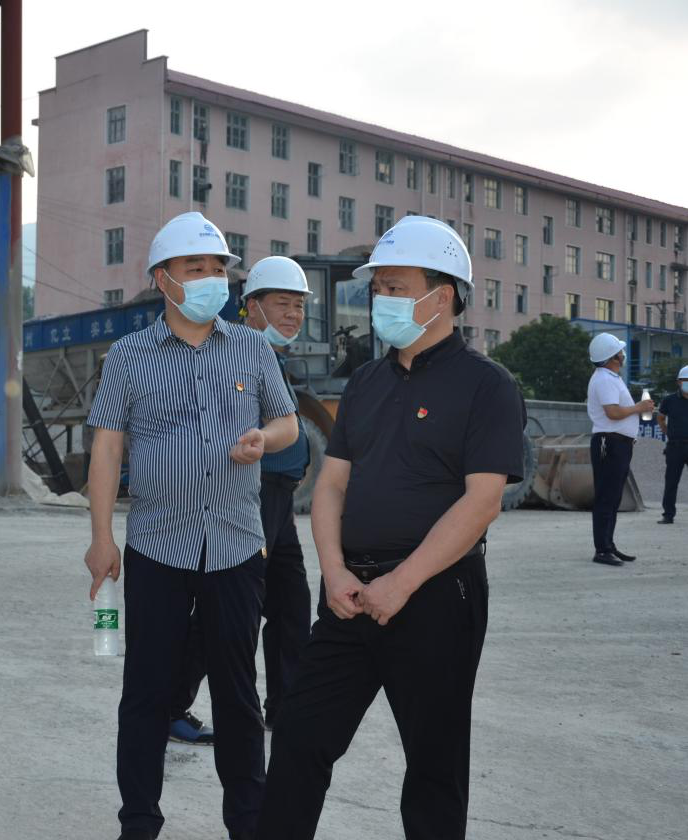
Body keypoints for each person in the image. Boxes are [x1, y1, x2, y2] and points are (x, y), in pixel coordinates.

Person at [256, 215, 526, 840]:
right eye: (378, 287)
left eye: (397, 287)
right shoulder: (366, 382)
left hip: (435, 596)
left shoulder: (487, 386)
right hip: (350, 596)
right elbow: (331, 485)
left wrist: (401, 584)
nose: (382, 299)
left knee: (433, 768)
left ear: (444, 295)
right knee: (299, 736)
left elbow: (482, 502)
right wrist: (333, 572)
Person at [84, 211, 300, 840]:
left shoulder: (252, 349)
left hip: (235, 545)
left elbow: (286, 421)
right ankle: (139, 821)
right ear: (164, 279)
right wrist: (101, 538)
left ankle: (248, 822)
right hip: (158, 546)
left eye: (218, 268)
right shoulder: (129, 356)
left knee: (238, 693)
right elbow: (107, 448)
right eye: (195, 267)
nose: (211, 278)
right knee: (147, 691)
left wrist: (264, 438)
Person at [167, 256, 314, 743]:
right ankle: (171, 705)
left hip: (280, 499)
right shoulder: (235, 355)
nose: (293, 314)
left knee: (291, 604)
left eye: (299, 306)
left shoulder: (272, 357)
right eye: (282, 304)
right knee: (231, 607)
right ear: (251, 306)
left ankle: (286, 709)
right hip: (250, 494)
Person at [584, 333, 654, 566]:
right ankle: (602, 549)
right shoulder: (604, 379)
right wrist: (639, 407)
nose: (623, 354)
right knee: (606, 497)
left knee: (613, 497)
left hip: (617, 443)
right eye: (620, 352)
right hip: (610, 442)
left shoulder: (610, 378)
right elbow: (612, 412)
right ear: (613, 357)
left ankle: (608, 545)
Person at [656, 364, 688, 524]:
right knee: (671, 482)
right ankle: (668, 514)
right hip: (675, 446)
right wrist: (667, 432)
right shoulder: (669, 400)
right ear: (678, 382)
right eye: (685, 380)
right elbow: (660, 417)